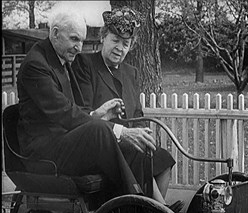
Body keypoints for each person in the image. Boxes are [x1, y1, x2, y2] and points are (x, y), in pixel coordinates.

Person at [16, 7, 156, 201]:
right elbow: (63, 113)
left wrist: (96, 115)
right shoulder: (36, 64)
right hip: (43, 153)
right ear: (55, 33)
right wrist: (120, 132)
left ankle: (139, 207)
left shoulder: (61, 58)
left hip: (63, 142)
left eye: (81, 40)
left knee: (133, 147)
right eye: (74, 39)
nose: (79, 48)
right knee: (101, 131)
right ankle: (137, 201)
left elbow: (71, 110)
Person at [71, 6, 184, 213]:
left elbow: (138, 115)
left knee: (163, 158)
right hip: (100, 145)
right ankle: (162, 210)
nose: (120, 48)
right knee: (137, 153)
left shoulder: (131, 72)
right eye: (115, 40)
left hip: (129, 146)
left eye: (126, 44)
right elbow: (85, 111)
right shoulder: (85, 64)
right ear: (103, 37)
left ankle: (149, 212)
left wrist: (143, 134)